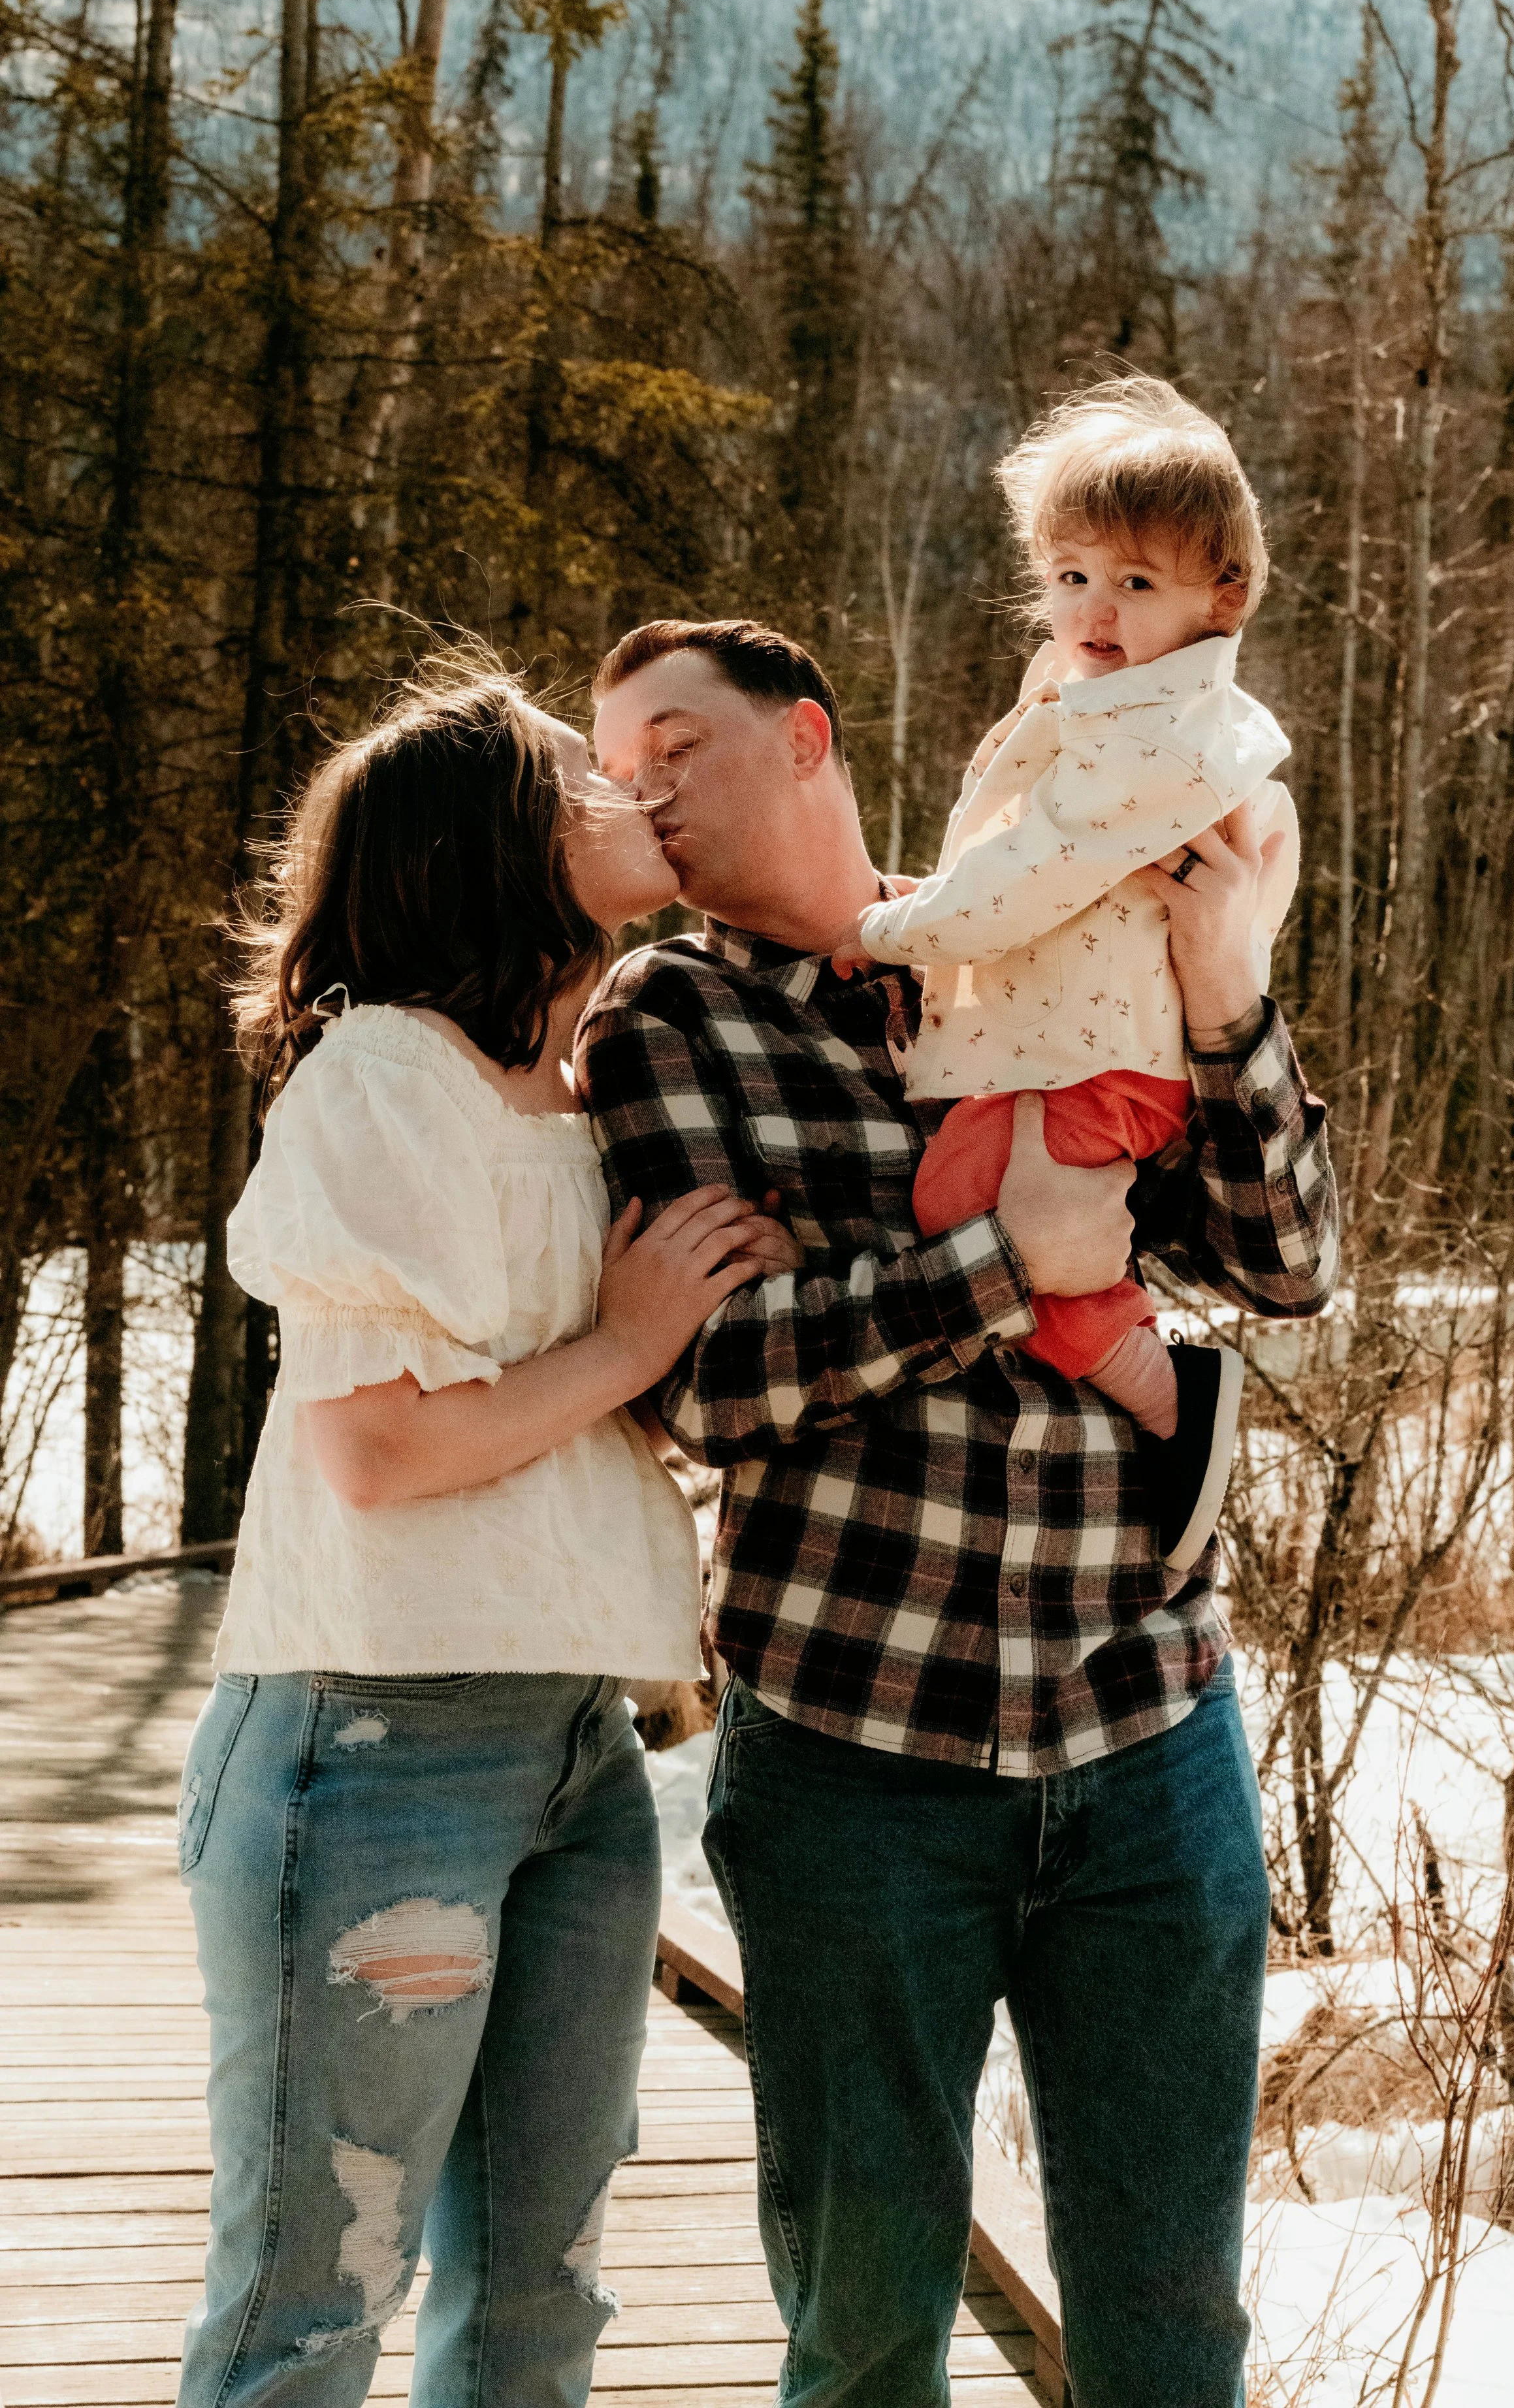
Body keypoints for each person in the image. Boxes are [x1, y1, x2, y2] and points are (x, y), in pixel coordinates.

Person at [579, 615, 1340, 2408]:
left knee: (1171, 2330)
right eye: (617, 767)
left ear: (806, 741)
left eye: (676, 740)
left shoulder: (1035, 923)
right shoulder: (667, 1016)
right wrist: (1008, 1265)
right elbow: (704, 1376)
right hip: (857, 1764)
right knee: (861, 2337)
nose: (645, 787)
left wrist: (1224, 999)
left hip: (1146, 1737)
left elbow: (1288, 1262)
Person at [174, 656, 796, 2405]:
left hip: (571, 1755)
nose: (633, 791)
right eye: (579, 777)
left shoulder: (591, 1089)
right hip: (368, 1748)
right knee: (312, 2297)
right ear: (497, 844)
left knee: (541, 2291)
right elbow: (371, 1448)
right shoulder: (384, 1073)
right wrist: (621, 1346)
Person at [833, 373, 1300, 1569]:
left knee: (974, 1217)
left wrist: (893, 931)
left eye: (1136, 583)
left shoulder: (1160, 739)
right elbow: (1009, 859)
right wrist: (924, 907)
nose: (1095, 609)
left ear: (1224, 594)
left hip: (1098, 1059)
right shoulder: (1099, 699)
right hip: (1059, 1038)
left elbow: (1037, 875)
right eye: (1072, 576)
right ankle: (1141, 1383)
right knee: (971, 1206)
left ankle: (1164, 1396)